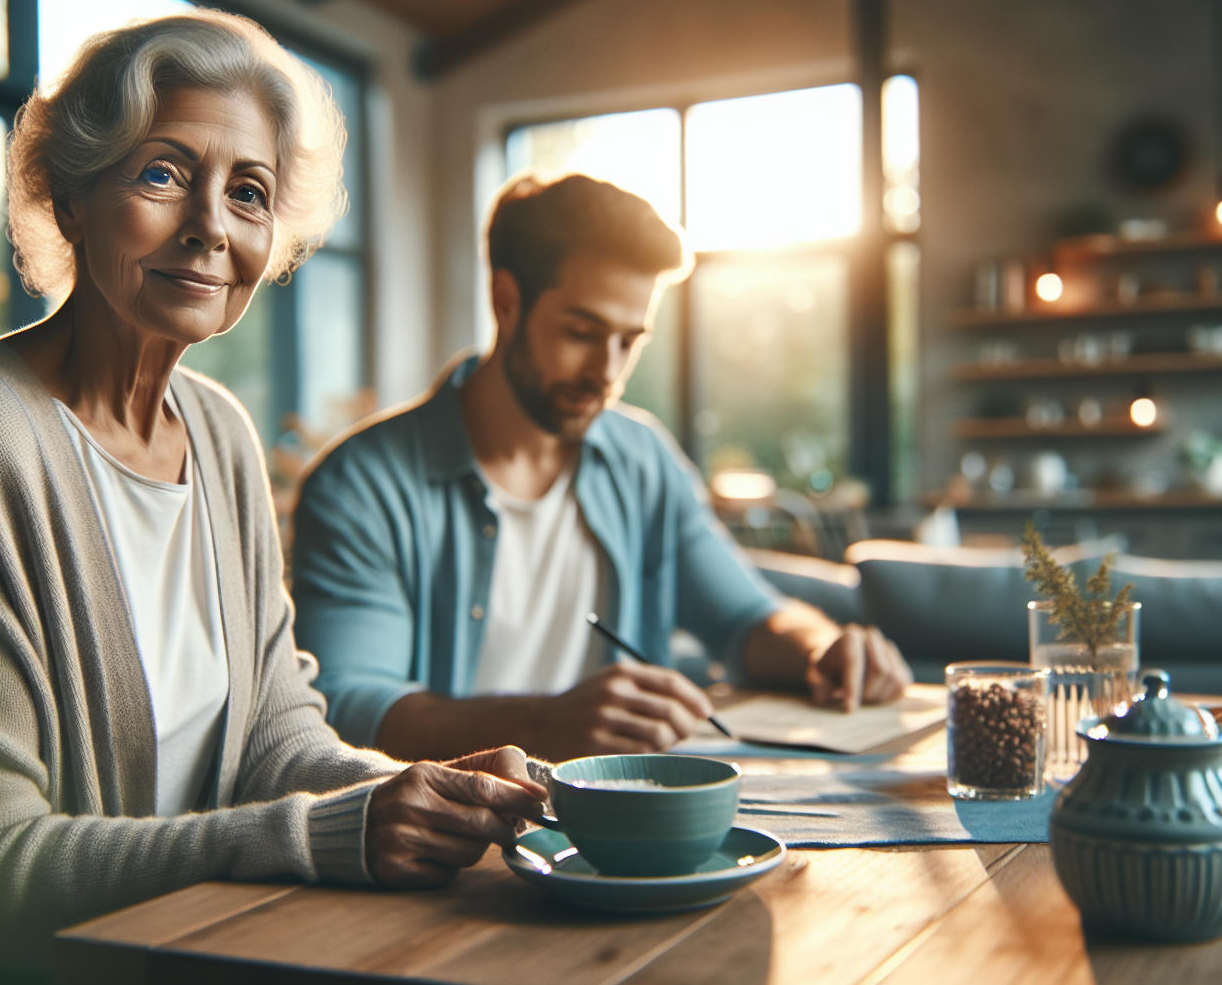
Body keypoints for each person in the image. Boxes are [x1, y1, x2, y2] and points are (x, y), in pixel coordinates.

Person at [0, 11, 543, 985]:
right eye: (160, 173)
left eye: (248, 192)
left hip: (191, 948)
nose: (208, 226)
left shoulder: (223, 436)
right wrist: (326, 833)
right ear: (71, 197)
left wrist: (416, 792)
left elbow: (278, 739)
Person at [290, 173, 912, 763]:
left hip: (612, 830)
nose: (607, 372)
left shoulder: (641, 458)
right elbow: (346, 703)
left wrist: (821, 648)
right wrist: (541, 724)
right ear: (506, 302)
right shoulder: (360, 487)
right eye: (583, 332)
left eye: (629, 340)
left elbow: (745, 618)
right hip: (444, 837)